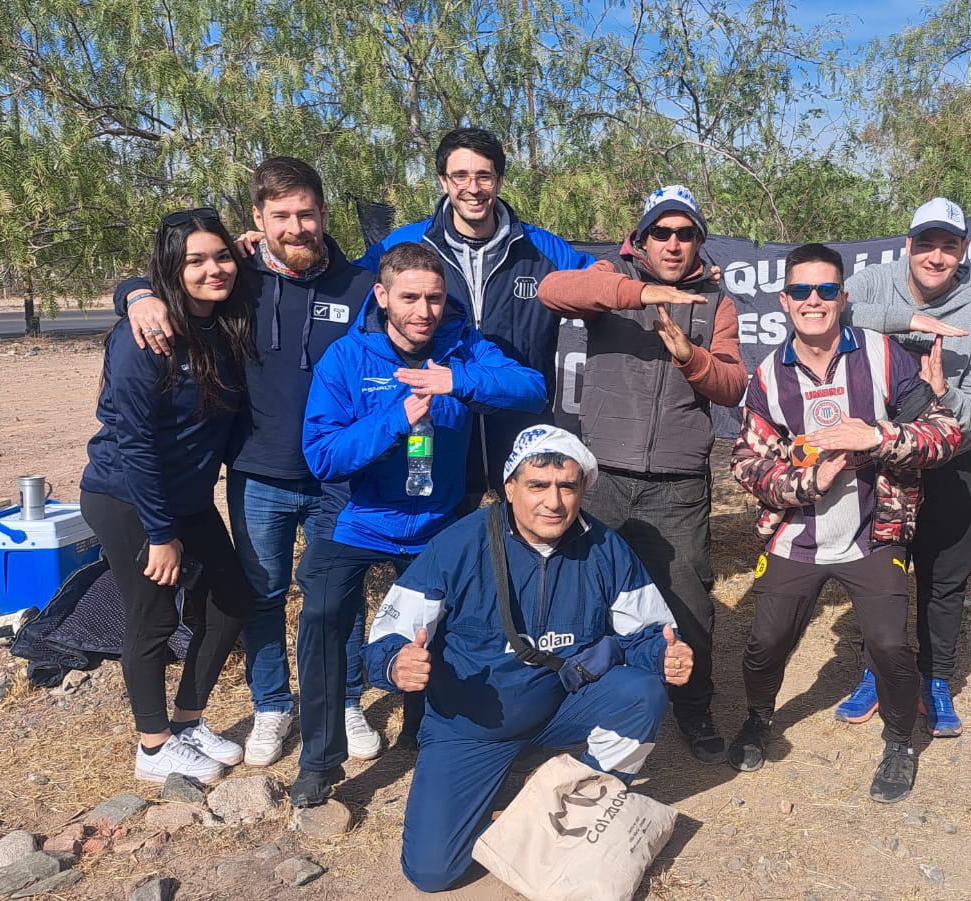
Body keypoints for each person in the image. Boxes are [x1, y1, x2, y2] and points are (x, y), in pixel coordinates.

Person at [117, 158, 383, 767]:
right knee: (263, 594)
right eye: (282, 215)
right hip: (257, 475)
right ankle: (272, 705)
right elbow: (173, 273)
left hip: (336, 477)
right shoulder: (241, 282)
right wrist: (133, 295)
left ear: (323, 214)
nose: (297, 226)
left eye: (307, 213)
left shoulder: (360, 286)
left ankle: (343, 701)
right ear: (258, 221)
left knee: (337, 594)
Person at [362, 426, 690, 892]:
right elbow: (386, 636)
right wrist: (396, 664)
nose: (553, 502)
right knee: (433, 872)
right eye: (537, 485)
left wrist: (664, 657)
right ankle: (518, 794)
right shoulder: (457, 545)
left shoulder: (605, 547)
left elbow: (648, 633)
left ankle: (575, 803)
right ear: (509, 488)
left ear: (583, 490)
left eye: (567, 486)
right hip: (470, 729)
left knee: (643, 693)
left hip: (562, 706)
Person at [288, 242, 546, 806]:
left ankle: (426, 729)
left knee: (453, 625)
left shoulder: (462, 347)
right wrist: (395, 419)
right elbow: (323, 456)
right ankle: (320, 760)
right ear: (382, 296)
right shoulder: (346, 359)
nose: (423, 310)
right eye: (409, 297)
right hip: (357, 520)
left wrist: (460, 382)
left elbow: (532, 388)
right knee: (325, 619)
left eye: (434, 298)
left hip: (436, 518)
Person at [727, 243, 962, 803]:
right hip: (796, 534)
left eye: (826, 290)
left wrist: (877, 436)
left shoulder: (882, 356)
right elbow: (745, 461)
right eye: (802, 291)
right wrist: (804, 483)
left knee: (889, 647)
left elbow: (944, 431)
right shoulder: (767, 375)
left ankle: (901, 742)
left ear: (842, 297)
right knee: (766, 643)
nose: (814, 301)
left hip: (872, 532)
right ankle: (759, 717)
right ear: (785, 301)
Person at [536, 185, 747, 763]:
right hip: (601, 475)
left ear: (699, 241)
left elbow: (732, 384)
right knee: (578, 595)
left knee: (687, 602)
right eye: (662, 232)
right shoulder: (611, 278)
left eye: (685, 233)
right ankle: (574, 700)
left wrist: (691, 357)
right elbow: (555, 290)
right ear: (643, 238)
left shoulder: (715, 303)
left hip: (677, 483)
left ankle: (694, 708)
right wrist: (640, 292)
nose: (673, 243)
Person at [80, 209, 255, 784]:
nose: (214, 269)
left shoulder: (222, 320)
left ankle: (187, 721)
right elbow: (134, 442)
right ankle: (153, 748)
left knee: (230, 599)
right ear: (169, 270)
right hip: (128, 497)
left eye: (222, 256)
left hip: (187, 496)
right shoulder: (146, 337)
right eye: (196, 261)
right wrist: (160, 534)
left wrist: (250, 245)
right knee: (153, 615)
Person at [356, 127, 595, 508]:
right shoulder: (405, 245)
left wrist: (683, 275)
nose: (473, 187)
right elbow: (342, 285)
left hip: (520, 422)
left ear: (499, 180)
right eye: (460, 176)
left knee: (525, 548)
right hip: (442, 427)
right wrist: (257, 251)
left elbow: (603, 280)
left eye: (484, 176)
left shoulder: (543, 248)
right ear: (442, 180)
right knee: (449, 549)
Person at [833, 197, 971, 737]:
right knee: (881, 580)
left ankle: (936, 678)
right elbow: (829, 312)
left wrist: (943, 394)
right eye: (925, 244)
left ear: (962, 252)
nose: (935, 256)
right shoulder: (873, 284)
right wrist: (908, 319)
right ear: (907, 245)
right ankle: (876, 672)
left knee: (942, 584)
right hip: (879, 462)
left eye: (948, 246)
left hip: (949, 462)